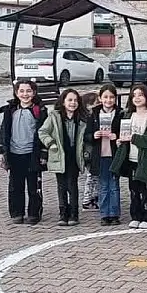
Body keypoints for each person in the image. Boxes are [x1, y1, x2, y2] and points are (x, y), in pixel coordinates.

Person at [111, 84, 147, 229]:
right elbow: (124, 136)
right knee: (134, 189)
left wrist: (134, 138)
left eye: (140, 94)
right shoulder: (128, 116)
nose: (137, 98)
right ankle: (136, 215)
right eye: (134, 95)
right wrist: (120, 141)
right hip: (131, 158)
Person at [0, 79, 48, 225]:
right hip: (14, 153)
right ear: (16, 93)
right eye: (22, 91)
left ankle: (34, 213)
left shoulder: (40, 111)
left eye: (29, 91)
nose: (25, 94)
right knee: (15, 186)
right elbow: (4, 131)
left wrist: (44, 154)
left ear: (34, 93)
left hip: (32, 154)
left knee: (34, 186)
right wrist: (1, 152)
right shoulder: (10, 110)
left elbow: (44, 133)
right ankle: (17, 212)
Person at [38, 89, 88, 226]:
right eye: (70, 100)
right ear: (63, 101)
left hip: (74, 156)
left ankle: (73, 214)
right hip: (59, 156)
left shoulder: (82, 119)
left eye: (75, 100)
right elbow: (42, 132)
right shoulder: (54, 117)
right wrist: (51, 143)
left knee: (72, 184)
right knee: (61, 185)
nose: (73, 103)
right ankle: (63, 213)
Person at [85, 85, 123, 226]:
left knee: (114, 185)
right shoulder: (93, 114)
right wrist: (93, 135)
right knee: (103, 185)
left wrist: (116, 135)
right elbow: (86, 135)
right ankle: (104, 214)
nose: (108, 100)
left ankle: (114, 213)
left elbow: (124, 132)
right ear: (100, 98)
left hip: (114, 155)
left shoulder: (120, 113)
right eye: (105, 97)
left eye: (112, 97)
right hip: (99, 155)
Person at [80, 92, 100, 212]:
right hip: (90, 152)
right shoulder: (88, 118)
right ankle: (87, 200)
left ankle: (93, 197)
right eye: (96, 103)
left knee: (95, 176)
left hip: (93, 150)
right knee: (92, 175)